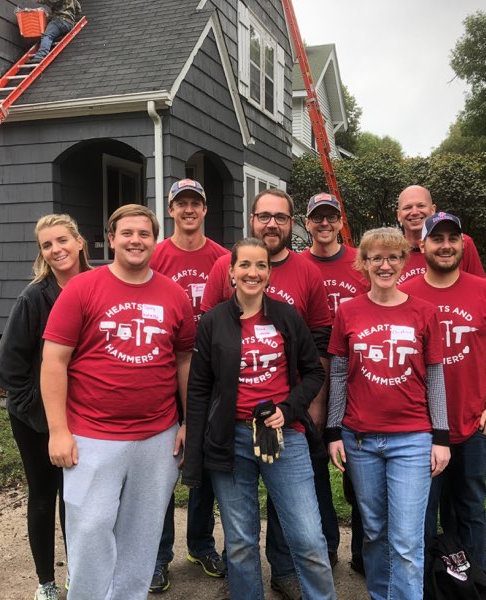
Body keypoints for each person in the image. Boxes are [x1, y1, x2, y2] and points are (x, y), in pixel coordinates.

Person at [40, 204, 195, 600]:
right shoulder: (82, 288)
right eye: (127, 233)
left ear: (154, 241)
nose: (135, 240)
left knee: (141, 537)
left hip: (156, 437)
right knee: (90, 529)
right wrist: (58, 431)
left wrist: (188, 422)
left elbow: (184, 360)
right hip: (92, 436)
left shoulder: (174, 294)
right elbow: (54, 360)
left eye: (144, 234)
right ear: (111, 239)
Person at [201, 188, 338, 599]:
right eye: (264, 216)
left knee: (306, 535)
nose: (272, 223)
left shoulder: (293, 298)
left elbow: (316, 355)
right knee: (241, 542)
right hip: (232, 433)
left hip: (285, 426)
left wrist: (300, 407)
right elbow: (203, 372)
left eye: (281, 217)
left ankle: (298, 581)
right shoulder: (217, 294)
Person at [326, 226, 450, 600]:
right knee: (375, 532)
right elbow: (336, 373)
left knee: (407, 539)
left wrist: (440, 436)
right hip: (360, 439)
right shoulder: (347, 312)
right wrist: (333, 430)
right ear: (363, 263)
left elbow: (435, 376)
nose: (385, 264)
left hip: (412, 439)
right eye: (376, 257)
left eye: (393, 257)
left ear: (403, 262)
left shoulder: (424, 312)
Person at [400, 212, 486, 578]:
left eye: (453, 238)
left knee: (470, 508)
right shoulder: (405, 293)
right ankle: (424, 583)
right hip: (419, 429)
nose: (446, 245)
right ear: (423, 245)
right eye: (438, 239)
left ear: (463, 244)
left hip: (471, 425)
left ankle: (475, 581)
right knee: (420, 513)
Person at [0, 214, 91, 600]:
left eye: (62, 240)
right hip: (35, 419)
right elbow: (9, 368)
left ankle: (78, 573)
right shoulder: (34, 297)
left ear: (79, 241)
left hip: (85, 415)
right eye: (47, 245)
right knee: (43, 495)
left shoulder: (99, 285)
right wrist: (40, 414)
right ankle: (46, 583)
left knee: (77, 499)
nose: (56, 250)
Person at [148, 179, 229, 593]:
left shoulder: (223, 258)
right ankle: (158, 555)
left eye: (195, 203)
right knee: (164, 466)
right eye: (181, 204)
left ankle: (200, 543)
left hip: (212, 375)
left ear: (205, 209)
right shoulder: (157, 255)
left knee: (204, 467)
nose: (189, 210)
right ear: (171, 210)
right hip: (165, 370)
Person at [300, 192, 369, 575]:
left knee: (359, 476)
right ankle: (325, 548)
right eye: (317, 218)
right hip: (310, 382)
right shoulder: (295, 264)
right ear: (306, 223)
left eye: (331, 217)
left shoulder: (361, 263)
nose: (324, 224)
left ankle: (364, 552)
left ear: (340, 221)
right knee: (313, 472)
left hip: (360, 380)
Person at [396, 185, 486, 285]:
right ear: (399, 215)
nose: (414, 212)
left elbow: (480, 290)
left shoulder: (460, 244)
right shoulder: (390, 251)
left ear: (433, 210)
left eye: (421, 206)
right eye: (407, 207)